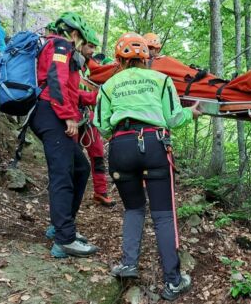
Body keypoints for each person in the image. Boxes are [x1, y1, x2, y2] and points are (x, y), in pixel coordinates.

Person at [94, 32, 201, 301]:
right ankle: (173, 281)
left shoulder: (108, 85)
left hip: (121, 148)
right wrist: (192, 112)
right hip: (154, 145)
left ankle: (129, 264)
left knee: (133, 208)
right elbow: (174, 118)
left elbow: (102, 125)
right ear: (146, 57)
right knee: (163, 215)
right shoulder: (161, 79)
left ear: (118, 59)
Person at [31, 12, 98, 258]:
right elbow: (56, 83)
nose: (89, 50)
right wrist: (68, 115)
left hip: (54, 110)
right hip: (51, 113)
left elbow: (69, 90)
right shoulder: (62, 45)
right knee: (62, 175)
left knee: (80, 168)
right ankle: (64, 240)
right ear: (76, 35)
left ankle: (60, 226)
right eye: (88, 43)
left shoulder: (61, 48)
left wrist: (95, 98)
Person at [76, 26, 114, 207]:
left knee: (98, 153)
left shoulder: (87, 66)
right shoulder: (70, 64)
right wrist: (95, 97)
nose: (92, 51)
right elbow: (69, 92)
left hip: (87, 115)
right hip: (73, 115)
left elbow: (104, 70)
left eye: (93, 47)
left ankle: (100, 191)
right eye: (89, 46)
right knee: (72, 158)